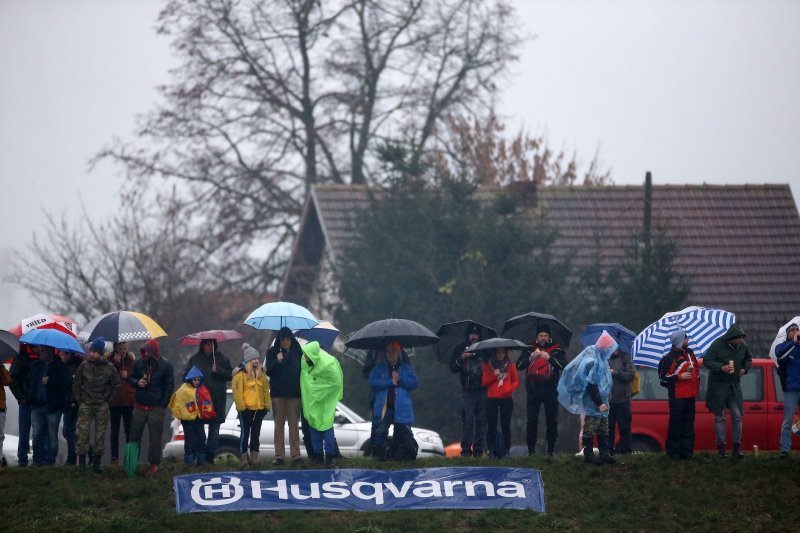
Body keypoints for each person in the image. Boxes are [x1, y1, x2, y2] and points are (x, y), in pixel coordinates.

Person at [557, 330, 617, 465]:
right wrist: (599, 402)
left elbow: (602, 381)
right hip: (593, 403)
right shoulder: (593, 361)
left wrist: (606, 394)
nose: (611, 352)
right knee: (590, 429)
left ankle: (604, 454)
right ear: (605, 347)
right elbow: (591, 384)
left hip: (602, 401)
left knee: (603, 428)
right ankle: (588, 456)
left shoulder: (601, 359)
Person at [516, 324, 567, 456]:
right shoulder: (529, 348)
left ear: (549, 336)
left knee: (552, 421)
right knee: (531, 421)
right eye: (540, 335)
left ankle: (550, 450)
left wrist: (549, 358)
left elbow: (565, 365)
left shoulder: (557, 349)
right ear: (537, 337)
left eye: (545, 335)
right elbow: (519, 366)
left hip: (551, 390)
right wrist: (530, 358)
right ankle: (531, 451)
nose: (543, 338)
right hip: (533, 391)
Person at [703, 324, 752, 459]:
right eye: (739, 338)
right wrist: (721, 367)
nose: (741, 341)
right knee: (720, 417)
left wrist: (745, 369)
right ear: (731, 338)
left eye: (742, 338)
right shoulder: (717, 345)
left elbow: (748, 359)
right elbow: (707, 361)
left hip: (734, 387)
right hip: (718, 387)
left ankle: (736, 448)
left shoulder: (743, 346)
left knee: (737, 416)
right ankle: (721, 449)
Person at [72, 338, 120, 472]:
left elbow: (116, 385)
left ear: (100, 353)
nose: (91, 354)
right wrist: (80, 399)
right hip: (86, 403)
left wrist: (108, 400)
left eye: (94, 351)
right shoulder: (84, 366)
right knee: (82, 433)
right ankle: (82, 461)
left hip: (101, 405)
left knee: (100, 434)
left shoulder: (109, 367)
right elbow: (76, 384)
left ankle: (97, 462)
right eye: (91, 351)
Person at [128, 339, 174, 474]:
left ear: (154, 352)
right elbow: (131, 379)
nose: (145, 354)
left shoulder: (166, 365)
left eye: (147, 351)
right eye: (144, 351)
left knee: (155, 438)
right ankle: (130, 463)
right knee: (134, 436)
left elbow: (169, 386)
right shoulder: (138, 363)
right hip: (139, 406)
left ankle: (154, 464)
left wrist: (162, 405)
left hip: (156, 408)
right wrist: (138, 382)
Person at [183, 338, 232, 465]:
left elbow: (231, 375)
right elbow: (185, 377)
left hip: (217, 401)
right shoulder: (195, 360)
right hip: (199, 402)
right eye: (207, 344)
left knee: (214, 432)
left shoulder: (222, 359)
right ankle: (199, 456)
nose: (209, 347)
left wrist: (218, 371)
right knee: (198, 432)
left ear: (215, 345)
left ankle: (210, 458)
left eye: (211, 344)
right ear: (202, 345)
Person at [369, 340, 418, 461]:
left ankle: (401, 455)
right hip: (385, 408)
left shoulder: (406, 368)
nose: (391, 353)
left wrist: (400, 380)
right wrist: (390, 382)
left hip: (402, 407)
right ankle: (381, 456)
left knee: (403, 433)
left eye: (394, 351)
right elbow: (372, 382)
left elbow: (414, 383)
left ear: (399, 352)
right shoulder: (378, 368)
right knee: (380, 431)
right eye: (389, 351)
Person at [300, 341, 343, 467]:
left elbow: (335, 383)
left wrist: (318, 392)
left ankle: (330, 458)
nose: (305, 356)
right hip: (311, 402)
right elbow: (306, 379)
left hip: (325, 404)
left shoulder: (328, 363)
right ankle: (317, 457)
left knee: (326, 428)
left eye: (307, 354)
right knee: (313, 427)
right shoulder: (304, 361)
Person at [658, 330, 699, 460]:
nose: (688, 341)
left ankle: (687, 453)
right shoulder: (668, 358)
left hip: (691, 395)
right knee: (676, 424)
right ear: (679, 341)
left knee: (688, 424)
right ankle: (673, 453)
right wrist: (679, 377)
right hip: (677, 397)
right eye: (685, 339)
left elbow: (696, 368)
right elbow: (663, 379)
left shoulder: (690, 353)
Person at [265, 327, 303, 465]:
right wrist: (278, 361)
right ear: (279, 340)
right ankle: (279, 455)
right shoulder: (272, 352)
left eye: (288, 339)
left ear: (291, 340)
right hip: (278, 394)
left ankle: (296, 454)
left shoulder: (298, 352)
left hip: (294, 394)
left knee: (294, 425)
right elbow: (268, 371)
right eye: (283, 340)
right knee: (278, 425)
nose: (286, 342)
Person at [448, 324, 487, 458]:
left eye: (476, 334)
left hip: (483, 390)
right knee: (468, 421)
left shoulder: (485, 348)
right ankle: (465, 451)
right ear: (468, 335)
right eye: (471, 334)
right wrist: (462, 357)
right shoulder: (460, 348)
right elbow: (453, 367)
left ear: (479, 336)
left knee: (482, 422)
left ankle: (478, 451)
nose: (474, 336)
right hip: (467, 391)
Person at [29, 344, 71, 466]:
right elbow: (30, 382)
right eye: (40, 350)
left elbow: (65, 385)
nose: (41, 353)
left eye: (43, 351)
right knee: (36, 435)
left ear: (50, 351)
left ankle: (49, 461)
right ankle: (37, 460)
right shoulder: (36, 366)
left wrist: (51, 381)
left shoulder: (60, 367)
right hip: (37, 405)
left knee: (52, 435)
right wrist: (28, 397)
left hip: (53, 407)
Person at [168, 365, 215, 466]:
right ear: (190, 379)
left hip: (198, 418)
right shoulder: (183, 390)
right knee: (190, 439)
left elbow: (207, 402)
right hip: (187, 420)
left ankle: (201, 460)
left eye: (198, 379)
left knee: (202, 438)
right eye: (194, 379)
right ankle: (189, 460)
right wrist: (180, 414)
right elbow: (178, 403)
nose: (196, 382)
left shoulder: (202, 389)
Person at [232, 344, 271, 465]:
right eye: (254, 359)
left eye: (258, 358)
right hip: (246, 409)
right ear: (248, 360)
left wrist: (266, 406)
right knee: (245, 434)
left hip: (259, 409)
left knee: (256, 434)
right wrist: (241, 408)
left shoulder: (261, 374)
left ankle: (255, 458)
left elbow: (265, 390)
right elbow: (237, 393)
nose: (256, 361)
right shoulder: (240, 375)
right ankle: (244, 458)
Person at [481, 347, 519, 458]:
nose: (501, 355)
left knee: (505, 425)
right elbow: (484, 382)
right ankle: (491, 449)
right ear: (495, 353)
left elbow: (516, 381)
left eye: (503, 353)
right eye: (498, 353)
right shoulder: (488, 366)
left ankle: (506, 450)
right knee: (492, 425)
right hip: (492, 398)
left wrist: (509, 389)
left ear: (506, 353)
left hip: (506, 398)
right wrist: (494, 375)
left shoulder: (510, 365)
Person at [774, 323, 800, 458]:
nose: (796, 331)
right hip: (791, 388)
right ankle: (785, 448)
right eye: (793, 330)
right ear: (788, 333)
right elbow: (780, 356)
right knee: (788, 420)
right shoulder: (783, 346)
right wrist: (794, 343)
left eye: (797, 329)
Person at [9, 343, 37, 467]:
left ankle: (37, 460)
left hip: (38, 401)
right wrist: (20, 397)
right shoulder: (20, 357)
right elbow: (12, 379)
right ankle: (22, 460)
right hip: (25, 401)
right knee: (25, 432)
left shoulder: (41, 357)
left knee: (38, 432)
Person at [107, 341, 135, 464]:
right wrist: (115, 364)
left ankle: (129, 457)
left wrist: (127, 375)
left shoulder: (131, 361)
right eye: (120, 348)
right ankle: (114, 457)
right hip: (114, 401)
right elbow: (106, 378)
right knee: (114, 431)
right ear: (115, 349)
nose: (123, 350)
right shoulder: (109, 361)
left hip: (128, 401)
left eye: (124, 348)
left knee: (129, 430)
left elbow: (135, 378)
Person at [608, 346, 635, 455]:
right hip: (608, 400)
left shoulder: (626, 358)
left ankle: (626, 451)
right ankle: (608, 451)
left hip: (623, 399)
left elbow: (630, 375)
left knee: (625, 428)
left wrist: (615, 373)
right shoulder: (605, 358)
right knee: (608, 429)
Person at [59, 349, 83, 465]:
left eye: (62, 353)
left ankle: (72, 457)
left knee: (69, 430)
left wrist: (73, 400)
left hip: (74, 403)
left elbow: (74, 386)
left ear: (68, 354)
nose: (60, 355)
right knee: (69, 431)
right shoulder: (64, 366)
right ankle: (88, 449)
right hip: (68, 402)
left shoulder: (76, 367)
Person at [0, 361, 11, 467]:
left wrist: (1, 367)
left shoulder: (1, 367)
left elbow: (8, 381)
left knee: (0, 436)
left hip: (0, 407)